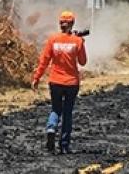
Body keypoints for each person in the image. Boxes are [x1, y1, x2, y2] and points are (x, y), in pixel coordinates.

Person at [31, 10, 87, 154]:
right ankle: (64, 144)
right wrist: (82, 43)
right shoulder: (77, 41)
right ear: (72, 23)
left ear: (60, 24)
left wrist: (36, 78)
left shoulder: (52, 39)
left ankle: (51, 128)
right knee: (67, 112)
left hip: (55, 81)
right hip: (71, 83)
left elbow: (44, 61)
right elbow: (83, 62)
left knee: (56, 109)